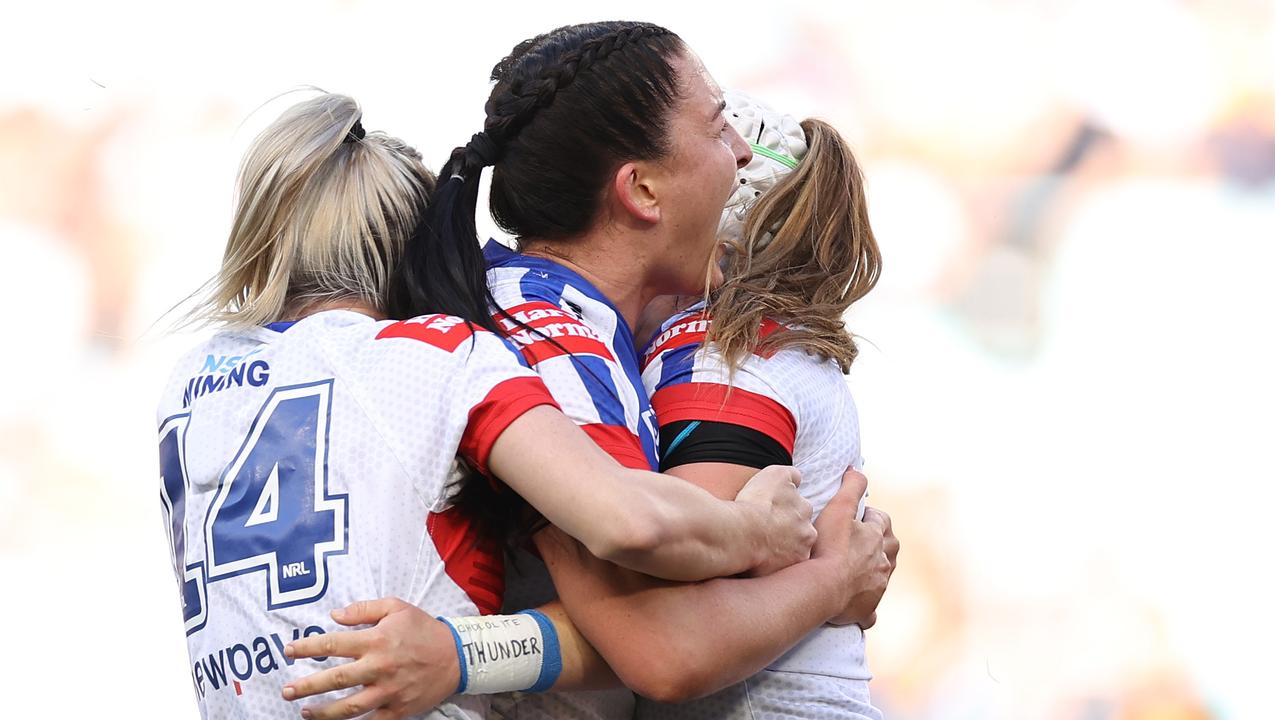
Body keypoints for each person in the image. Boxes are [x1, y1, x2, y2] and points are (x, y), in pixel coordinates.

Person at [283, 21, 897, 720]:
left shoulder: (549, 318)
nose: (736, 153)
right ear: (641, 191)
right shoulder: (548, 339)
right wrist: (829, 578)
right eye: (720, 126)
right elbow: (661, 647)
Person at [157, 91, 829, 720]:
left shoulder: (191, 384)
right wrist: (760, 535)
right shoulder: (438, 352)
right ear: (419, 247)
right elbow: (636, 550)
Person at [636, 90, 884, 718]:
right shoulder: (767, 346)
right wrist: (836, 586)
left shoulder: (720, 358)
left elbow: (683, 621)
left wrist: (466, 654)